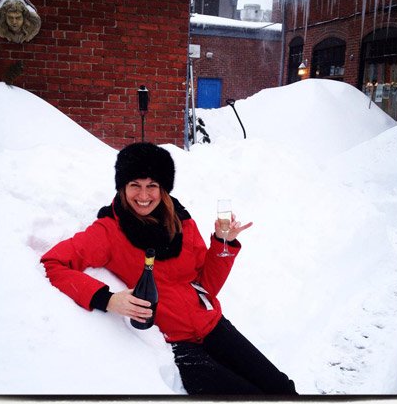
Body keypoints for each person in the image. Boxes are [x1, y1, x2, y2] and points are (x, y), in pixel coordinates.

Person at [41, 142, 298, 395]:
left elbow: (206, 287)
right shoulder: (108, 231)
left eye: (152, 185)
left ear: (163, 187)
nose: (143, 196)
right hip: (177, 346)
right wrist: (107, 300)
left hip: (212, 324)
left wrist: (224, 242)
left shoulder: (181, 222)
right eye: (135, 185)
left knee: (281, 388)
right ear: (123, 187)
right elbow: (54, 263)